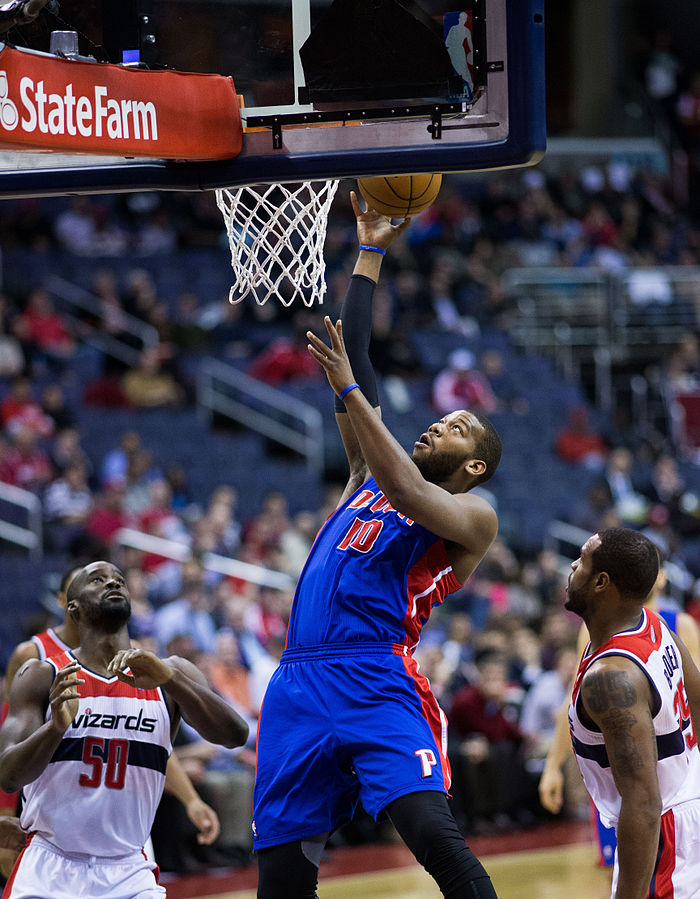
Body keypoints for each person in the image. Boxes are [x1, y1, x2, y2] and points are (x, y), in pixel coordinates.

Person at [253, 192, 502, 899]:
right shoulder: (363, 472)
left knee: (431, 833)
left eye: (453, 429)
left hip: (374, 678)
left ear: (475, 463)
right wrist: (370, 247)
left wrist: (353, 395)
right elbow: (354, 355)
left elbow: (408, 492)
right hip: (298, 680)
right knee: (281, 873)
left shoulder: (470, 514)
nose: (434, 428)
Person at [0, 560, 248, 898]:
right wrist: (55, 728)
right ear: (72, 607)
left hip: (128, 870)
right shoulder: (42, 674)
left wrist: (172, 680)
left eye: (119, 579)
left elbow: (235, 735)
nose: (113, 583)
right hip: (50, 864)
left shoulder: (168, 672)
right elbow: (8, 775)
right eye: (98, 580)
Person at [549, 528, 700, 896]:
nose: (572, 566)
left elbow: (644, 804)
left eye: (581, 561)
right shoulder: (654, 625)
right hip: (684, 813)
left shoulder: (611, 678)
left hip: (664, 835)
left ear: (602, 582)